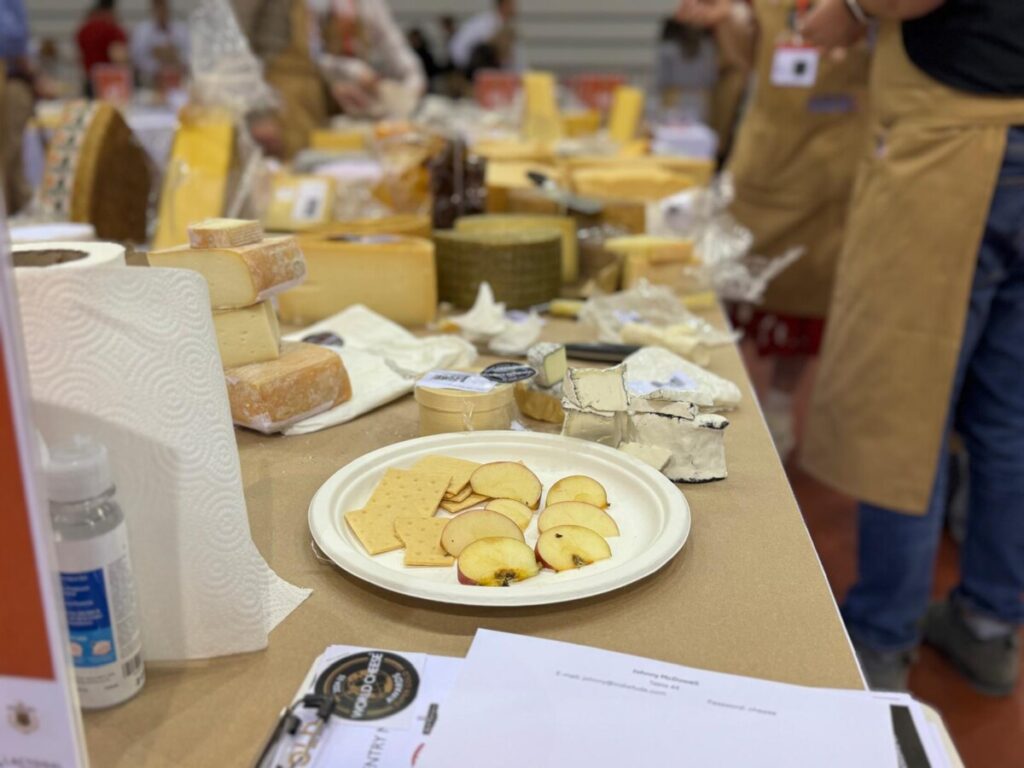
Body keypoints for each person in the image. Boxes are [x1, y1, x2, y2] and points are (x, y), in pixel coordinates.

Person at [800, 0, 1024, 695]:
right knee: (1010, 418)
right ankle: (989, 624)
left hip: (953, 140)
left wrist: (853, 8)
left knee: (906, 401)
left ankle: (881, 633)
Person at [682, 0, 870, 459]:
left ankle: (782, 404)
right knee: (729, 285)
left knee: (808, 295)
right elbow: (744, 57)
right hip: (766, 158)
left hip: (839, 162)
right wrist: (729, 21)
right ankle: (725, 396)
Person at [449, 0, 524, 74]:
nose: (515, 8)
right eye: (512, 4)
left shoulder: (506, 25)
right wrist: (467, 72)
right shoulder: (485, 24)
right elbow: (457, 47)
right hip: (472, 68)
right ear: (504, 4)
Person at [130, 0, 189, 89]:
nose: (161, 10)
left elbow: (187, 55)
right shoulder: (142, 31)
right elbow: (137, 58)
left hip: (177, 79)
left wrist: (172, 58)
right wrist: (157, 67)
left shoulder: (180, 29)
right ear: (153, 8)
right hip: (150, 81)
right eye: (158, 6)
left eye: (163, 6)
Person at [75, 0, 128, 96]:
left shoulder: (83, 29)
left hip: (89, 81)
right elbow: (119, 57)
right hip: (108, 84)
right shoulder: (112, 29)